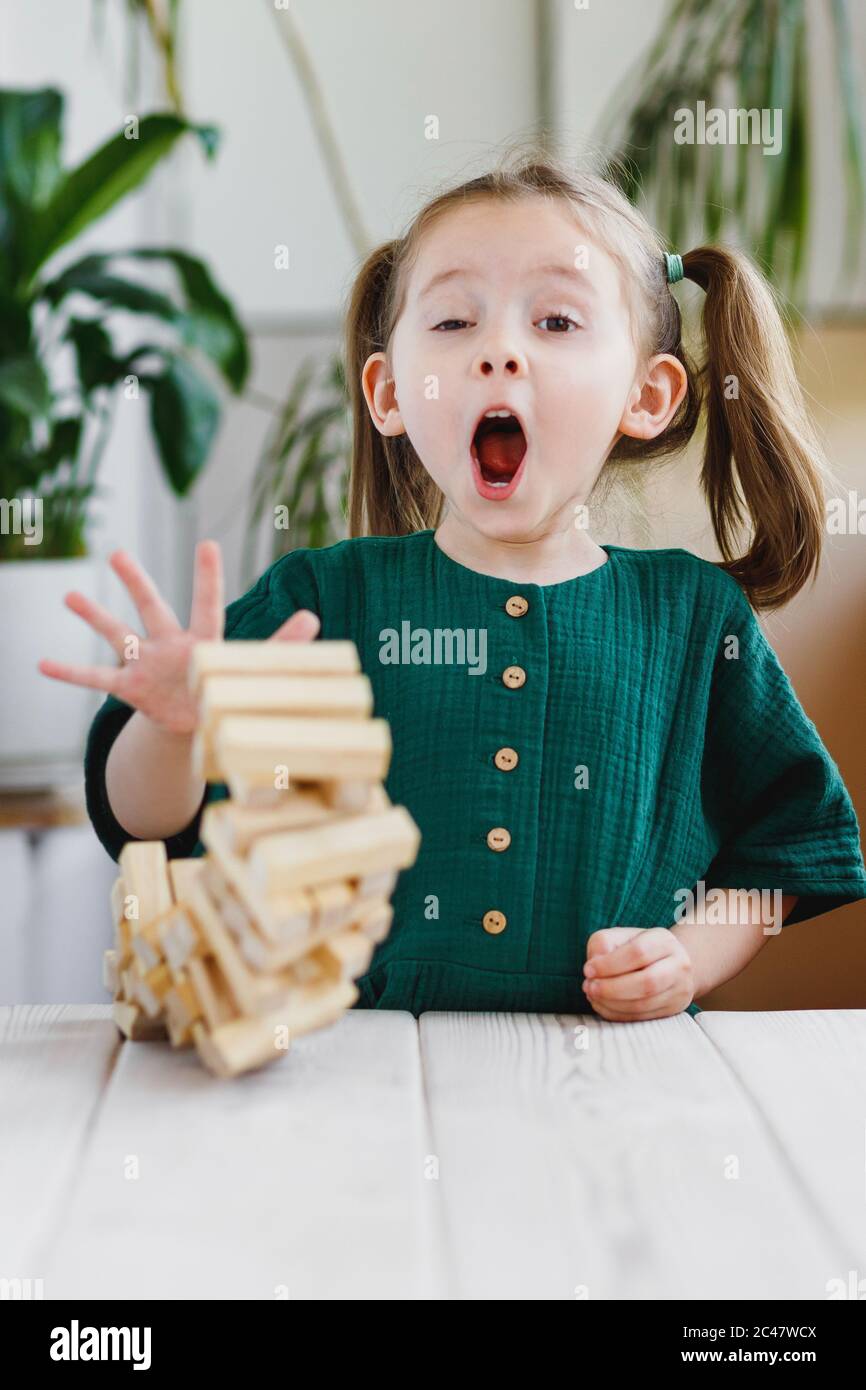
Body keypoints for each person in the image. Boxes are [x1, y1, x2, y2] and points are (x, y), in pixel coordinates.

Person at [40, 151, 866, 1021]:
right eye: (452, 323)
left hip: (619, 1091)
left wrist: (689, 960)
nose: (498, 353)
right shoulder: (319, 603)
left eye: (554, 321)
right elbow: (143, 823)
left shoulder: (696, 620)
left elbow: (786, 847)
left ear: (646, 394)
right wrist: (172, 733)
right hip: (363, 1081)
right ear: (388, 392)